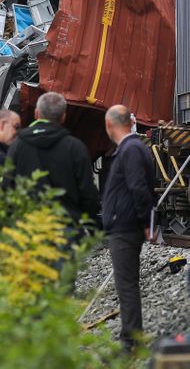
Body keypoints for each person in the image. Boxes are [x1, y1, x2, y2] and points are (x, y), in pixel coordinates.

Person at [7, 92, 100, 236]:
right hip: (66, 228)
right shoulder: (75, 147)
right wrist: (91, 225)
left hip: (29, 228)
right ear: (63, 117)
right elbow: (88, 192)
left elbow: (7, 187)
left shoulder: (17, 146)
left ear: (37, 113)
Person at [102, 104, 155, 352]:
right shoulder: (132, 148)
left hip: (125, 227)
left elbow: (138, 188)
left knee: (126, 286)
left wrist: (145, 223)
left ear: (110, 125)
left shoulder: (131, 149)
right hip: (126, 225)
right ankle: (131, 338)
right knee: (127, 284)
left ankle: (130, 343)